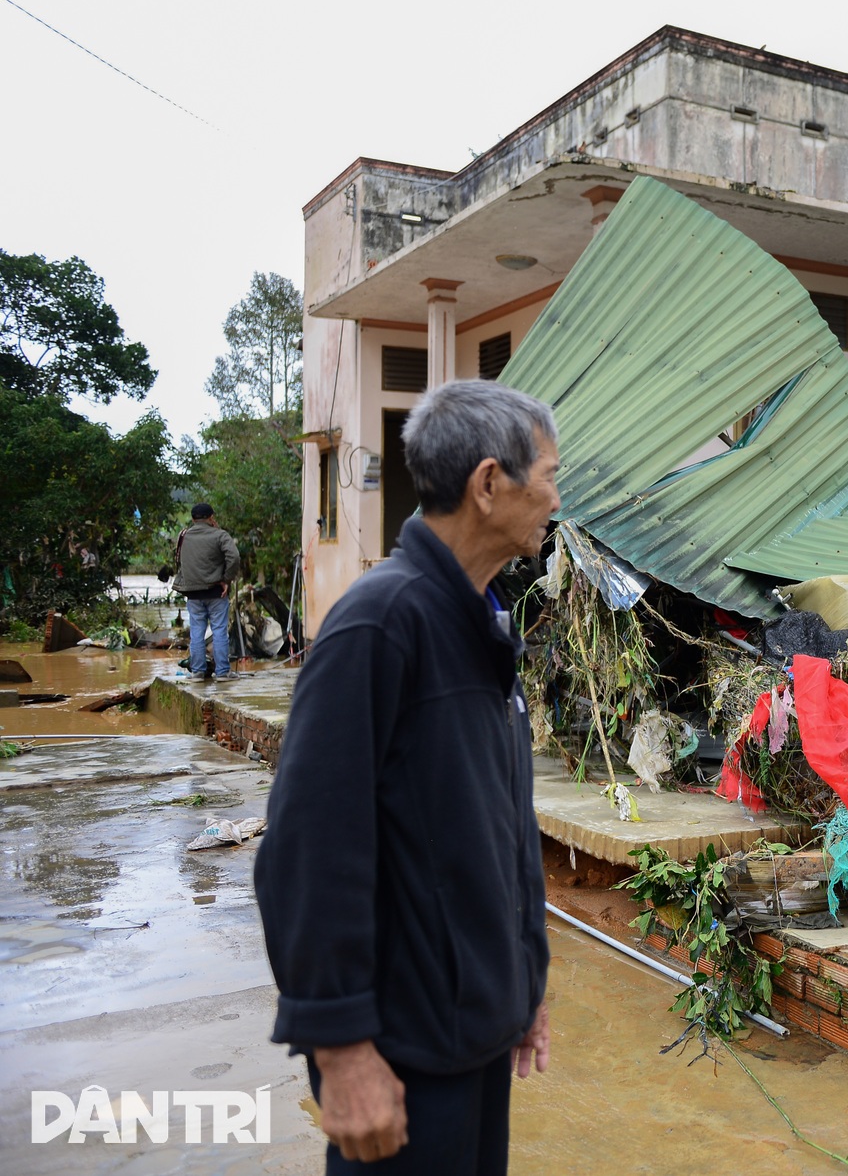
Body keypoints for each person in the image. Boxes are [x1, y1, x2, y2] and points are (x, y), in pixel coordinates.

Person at [254, 381, 560, 1174]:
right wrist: (343, 1051)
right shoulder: (381, 625)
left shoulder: (479, 622)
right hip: (403, 1057)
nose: (555, 500)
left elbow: (491, 828)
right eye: (550, 477)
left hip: (470, 1036)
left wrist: (520, 985)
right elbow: (309, 852)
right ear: (489, 484)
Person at [173, 502, 242, 680]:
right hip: (216, 591)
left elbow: (179, 559)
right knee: (219, 630)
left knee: (196, 632)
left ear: (193, 519)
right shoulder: (220, 535)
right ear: (211, 517)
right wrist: (226, 579)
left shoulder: (184, 536)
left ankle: (197, 672)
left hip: (193, 594)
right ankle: (222, 672)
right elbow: (233, 557)